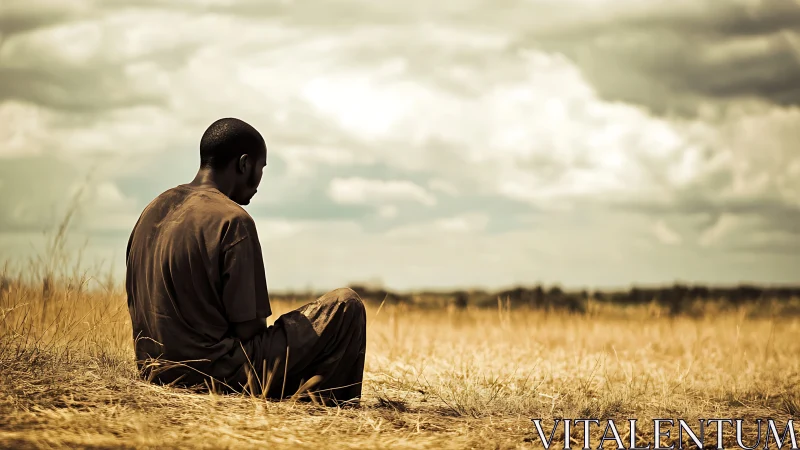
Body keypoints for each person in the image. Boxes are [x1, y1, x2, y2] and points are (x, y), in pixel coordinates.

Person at [125, 117, 366, 406]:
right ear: (244, 164)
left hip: (156, 372)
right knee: (345, 305)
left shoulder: (152, 209)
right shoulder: (232, 220)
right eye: (261, 168)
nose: (259, 182)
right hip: (215, 375)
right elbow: (250, 331)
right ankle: (328, 410)